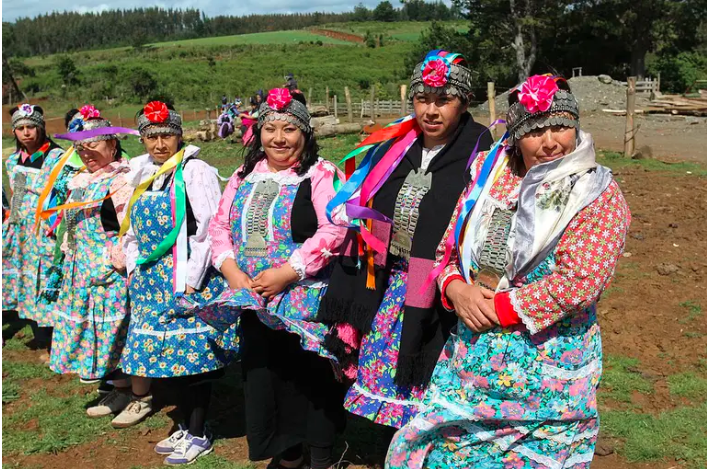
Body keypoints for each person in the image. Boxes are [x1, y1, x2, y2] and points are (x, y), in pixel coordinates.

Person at [385, 75, 632, 468]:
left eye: (560, 126)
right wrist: (454, 289)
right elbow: (446, 247)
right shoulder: (490, 177)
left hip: (548, 373)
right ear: (516, 134)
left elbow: (578, 283)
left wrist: (496, 309)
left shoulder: (596, 193)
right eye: (534, 131)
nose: (550, 141)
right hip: (471, 360)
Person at [319, 50, 494, 430]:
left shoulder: (480, 152)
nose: (431, 111)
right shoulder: (396, 148)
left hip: (440, 285)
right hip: (389, 277)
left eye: (443, 100)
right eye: (422, 99)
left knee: (429, 381)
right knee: (387, 374)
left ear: (464, 103)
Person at [204, 87, 347, 469]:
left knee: (309, 379)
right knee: (267, 378)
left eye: (289, 129)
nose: (279, 139)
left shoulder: (320, 174)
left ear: (305, 133)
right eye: (270, 129)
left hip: (303, 299)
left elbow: (335, 229)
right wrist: (231, 270)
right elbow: (220, 226)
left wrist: (287, 272)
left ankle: (320, 456)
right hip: (252, 297)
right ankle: (287, 453)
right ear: (259, 133)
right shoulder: (243, 175)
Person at [117, 101, 237, 464]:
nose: (159, 144)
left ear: (179, 134)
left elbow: (207, 229)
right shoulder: (142, 171)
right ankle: (187, 424)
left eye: (166, 134)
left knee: (191, 359)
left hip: (187, 277)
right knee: (168, 358)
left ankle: (199, 432)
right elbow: (132, 224)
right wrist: (134, 262)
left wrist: (189, 279)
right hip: (152, 279)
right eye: (151, 136)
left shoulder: (195, 171)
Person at [44, 106, 136, 415]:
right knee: (99, 333)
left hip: (108, 271)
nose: (86, 153)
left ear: (112, 145)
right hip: (82, 268)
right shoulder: (81, 179)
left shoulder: (120, 179)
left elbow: (128, 226)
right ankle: (118, 390)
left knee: (116, 331)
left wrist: (115, 261)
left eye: (93, 145)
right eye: (81, 147)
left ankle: (135, 394)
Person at [2, 104, 65, 360]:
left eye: (31, 127)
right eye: (20, 128)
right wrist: (10, 224)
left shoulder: (57, 157)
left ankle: (54, 338)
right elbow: (15, 196)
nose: (26, 133)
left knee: (48, 277)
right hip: (20, 231)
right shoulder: (11, 161)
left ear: (40, 128)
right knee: (27, 280)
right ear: (14, 132)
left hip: (47, 228)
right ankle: (38, 333)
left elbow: (60, 194)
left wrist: (54, 227)